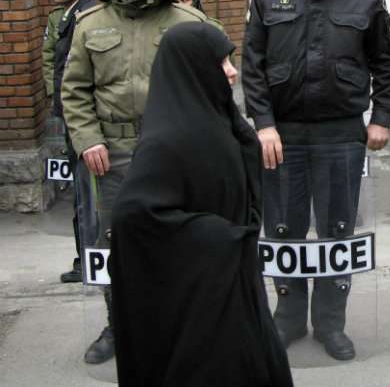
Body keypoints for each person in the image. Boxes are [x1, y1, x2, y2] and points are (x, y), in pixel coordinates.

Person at [242, 0, 390, 361]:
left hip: (339, 136)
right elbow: (251, 65)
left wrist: (381, 117)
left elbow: (387, 62)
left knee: (336, 232)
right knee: (285, 230)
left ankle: (331, 323)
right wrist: (265, 124)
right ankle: (289, 318)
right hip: (283, 137)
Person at [109, 23, 294, 387]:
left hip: (234, 282)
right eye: (220, 62)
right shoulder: (167, 140)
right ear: (192, 68)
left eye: (230, 59)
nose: (231, 70)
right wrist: (219, 237)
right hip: (202, 300)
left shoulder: (220, 118)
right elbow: (133, 217)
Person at [62, 0, 206, 364]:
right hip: (112, 154)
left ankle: (175, 322)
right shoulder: (91, 25)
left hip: (171, 154)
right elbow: (75, 90)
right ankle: (116, 325)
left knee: (175, 240)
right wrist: (88, 140)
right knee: (110, 244)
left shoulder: (187, 24)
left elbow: (215, 86)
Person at [41, 0, 96, 283]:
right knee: (81, 195)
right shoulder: (67, 16)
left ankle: (90, 258)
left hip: (83, 123)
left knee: (88, 196)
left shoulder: (87, 16)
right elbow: (56, 65)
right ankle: (85, 257)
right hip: (70, 119)